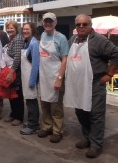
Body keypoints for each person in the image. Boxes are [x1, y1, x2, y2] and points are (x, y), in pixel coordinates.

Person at [64, 14, 118, 158]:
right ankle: (87, 137)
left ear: (90, 25)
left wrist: (110, 74)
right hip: (78, 84)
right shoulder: (73, 39)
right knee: (81, 111)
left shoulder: (99, 40)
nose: (81, 27)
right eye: (78, 24)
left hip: (95, 83)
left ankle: (96, 144)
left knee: (96, 114)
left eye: (85, 24)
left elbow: (116, 54)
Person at [38, 12, 69, 143]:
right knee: (44, 103)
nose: (48, 23)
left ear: (55, 23)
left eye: (50, 21)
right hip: (44, 76)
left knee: (56, 106)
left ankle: (57, 131)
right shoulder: (43, 35)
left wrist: (59, 78)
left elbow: (64, 59)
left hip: (55, 75)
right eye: (46, 21)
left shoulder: (61, 38)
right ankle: (47, 126)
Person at [0, 21, 24, 126]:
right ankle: (13, 114)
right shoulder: (11, 39)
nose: (9, 30)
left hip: (15, 70)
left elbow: (17, 57)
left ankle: (19, 116)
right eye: (8, 28)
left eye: (12, 28)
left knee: (17, 94)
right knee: (11, 93)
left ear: (16, 28)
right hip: (9, 69)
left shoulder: (17, 39)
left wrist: (11, 72)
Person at [20, 22, 40, 135]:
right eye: (24, 29)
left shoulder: (34, 44)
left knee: (32, 101)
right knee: (28, 100)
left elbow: (36, 64)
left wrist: (32, 81)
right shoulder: (26, 42)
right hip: (25, 76)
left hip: (30, 78)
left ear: (32, 30)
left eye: (27, 29)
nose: (25, 31)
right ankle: (32, 121)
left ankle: (33, 125)